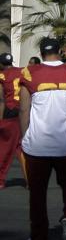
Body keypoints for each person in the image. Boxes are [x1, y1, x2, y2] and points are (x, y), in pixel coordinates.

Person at [17, 37, 66, 240]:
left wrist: (24, 136)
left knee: (37, 194)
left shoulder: (30, 74)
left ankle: (39, 237)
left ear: (41, 52)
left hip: (37, 145)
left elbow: (23, 109)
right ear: (60, 51)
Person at [1, 52, 22, 188]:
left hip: (10, 112)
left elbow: (1, 100)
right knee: (22, 148)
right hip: (24, 111)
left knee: (5, 148)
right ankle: (33, 179)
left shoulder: (2, 75)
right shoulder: (22, 71)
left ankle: (0, 180)